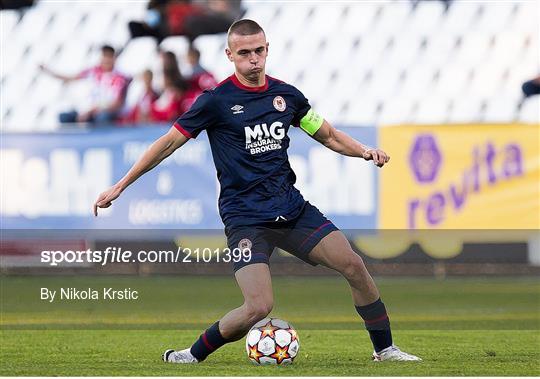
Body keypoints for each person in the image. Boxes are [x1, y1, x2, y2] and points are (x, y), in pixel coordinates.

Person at [93, 19, 421, 363]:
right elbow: (167, 143)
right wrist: (120, 185)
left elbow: (329, 135)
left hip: (292, 211)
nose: (254, 59)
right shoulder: (216, 101)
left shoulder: (287, 97)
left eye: (259, 51)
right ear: (230, 55)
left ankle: (385, 349)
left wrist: (364, 151)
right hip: (246, 218)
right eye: (245, 53)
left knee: (354, 265)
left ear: (267, 50)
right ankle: (190, 355)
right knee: (259, 306)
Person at [40, 45, 130, 125]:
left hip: (105, 112)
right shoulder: (93, 71)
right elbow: (70, 77)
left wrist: (93, 110)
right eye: (104, 56)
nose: (105, 59)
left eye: (108, 56)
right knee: (64, 117)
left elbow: (117, 104)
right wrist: (49, 72)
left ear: (114, 58)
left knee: (103, 118)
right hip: (90, 111)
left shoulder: (120, 78)